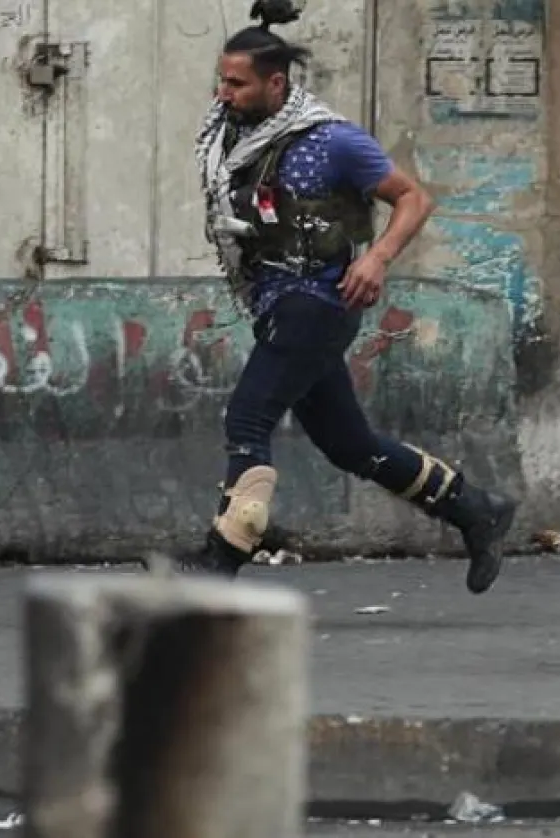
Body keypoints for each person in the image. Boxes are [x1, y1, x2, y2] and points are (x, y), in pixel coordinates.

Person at [185, 0, 517, 593]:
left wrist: (378, 257)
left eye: (237, 83)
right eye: (222, 80)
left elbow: (413, 197)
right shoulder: (239, 136)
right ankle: (475, 509)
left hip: (318, 301)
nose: (223, 93)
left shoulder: (333, 139)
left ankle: (220, 560)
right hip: (275, 303)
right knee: (348, 443)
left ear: (276, 84)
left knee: (248, 417)